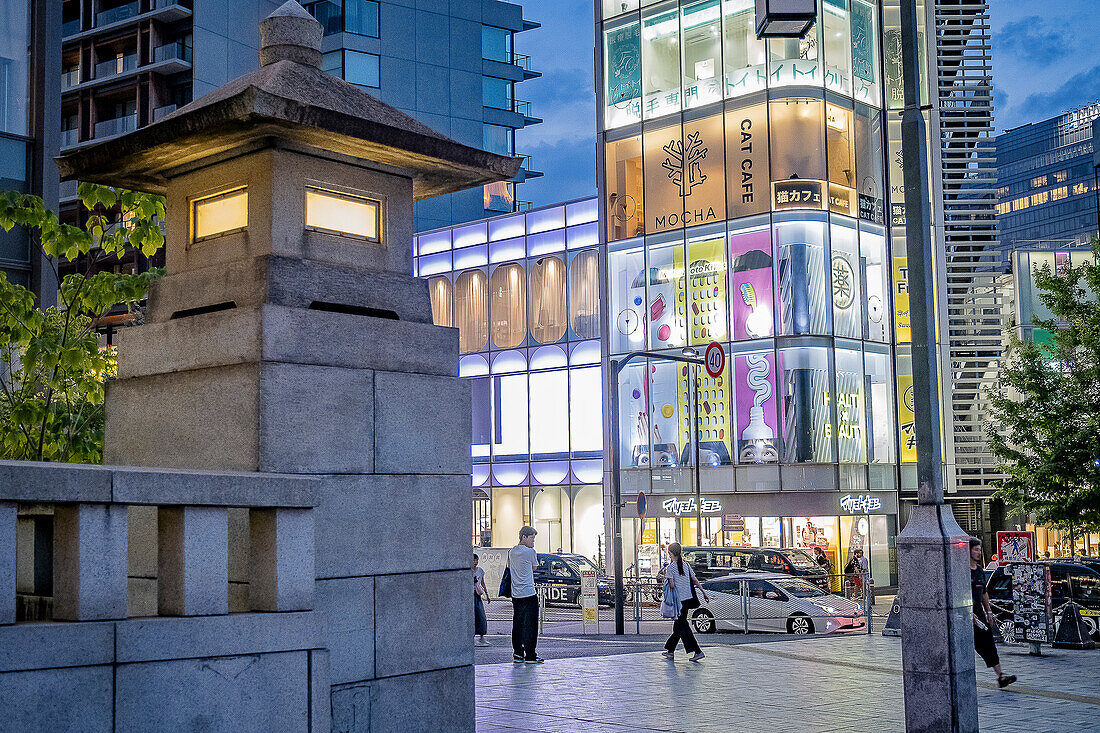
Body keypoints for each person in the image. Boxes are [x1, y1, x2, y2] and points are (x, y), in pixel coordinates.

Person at [970, 537, 1016, 688]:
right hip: (966, 616)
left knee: (989, 644)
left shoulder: (980, 571)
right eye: (975, 549)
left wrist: (988, 611)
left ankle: (1000, 676)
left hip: (980, 616)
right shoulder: (962, 571)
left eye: (979, 549)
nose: (978, 552)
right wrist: (968, 611)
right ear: (968, 551)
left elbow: (984, 592)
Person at [661, 542, 709, 662]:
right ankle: (670, 650)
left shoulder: (671, 568)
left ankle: (698, 651)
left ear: (671, 553)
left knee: (683, 626)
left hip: (678, 602)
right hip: (688, 599)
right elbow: (695, 580)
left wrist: (667, 581)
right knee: (678, 626)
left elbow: (671, 585)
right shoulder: (686, 565)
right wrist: (703, 592)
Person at [509, 526, 543, 664]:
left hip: (516, 594)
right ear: (524, 537)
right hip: (529, 593)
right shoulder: (530, 552)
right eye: (532, 538)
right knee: (530, 625)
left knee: (517, 624)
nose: (533, 541)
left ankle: (518, 653)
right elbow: (534, 567)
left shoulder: (511, 552)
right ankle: (530, 655)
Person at [473, 553, 489, 646]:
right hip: (469, 595)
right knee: (472, 616)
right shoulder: (468, 571)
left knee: (481, 615)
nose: (475, 562)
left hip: (477, 595)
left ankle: (482, 636)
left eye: (477, 560)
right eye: (474, 560)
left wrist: (487, 594)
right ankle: (472, 636)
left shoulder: (480, 571)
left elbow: (483, 583)